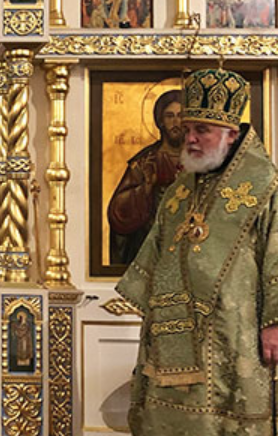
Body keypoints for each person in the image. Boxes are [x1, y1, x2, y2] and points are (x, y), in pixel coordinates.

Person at [116, 68, 278, 435]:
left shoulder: (266, 187)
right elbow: (157, 251)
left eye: (201, 130)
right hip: (172, 330)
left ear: (231, 134)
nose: (189, 138)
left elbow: (277, 255)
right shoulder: (178, 190)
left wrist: (275, 323)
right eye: (188, 129)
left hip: (236, 334)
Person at [108, 90, 183, 265]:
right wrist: (145, 188)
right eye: (169, 116)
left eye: (181, 116)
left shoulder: (202, 161)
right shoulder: (145, 162)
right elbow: (118, 212)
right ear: (161, 121)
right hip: (152, 245)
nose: (176, 122)